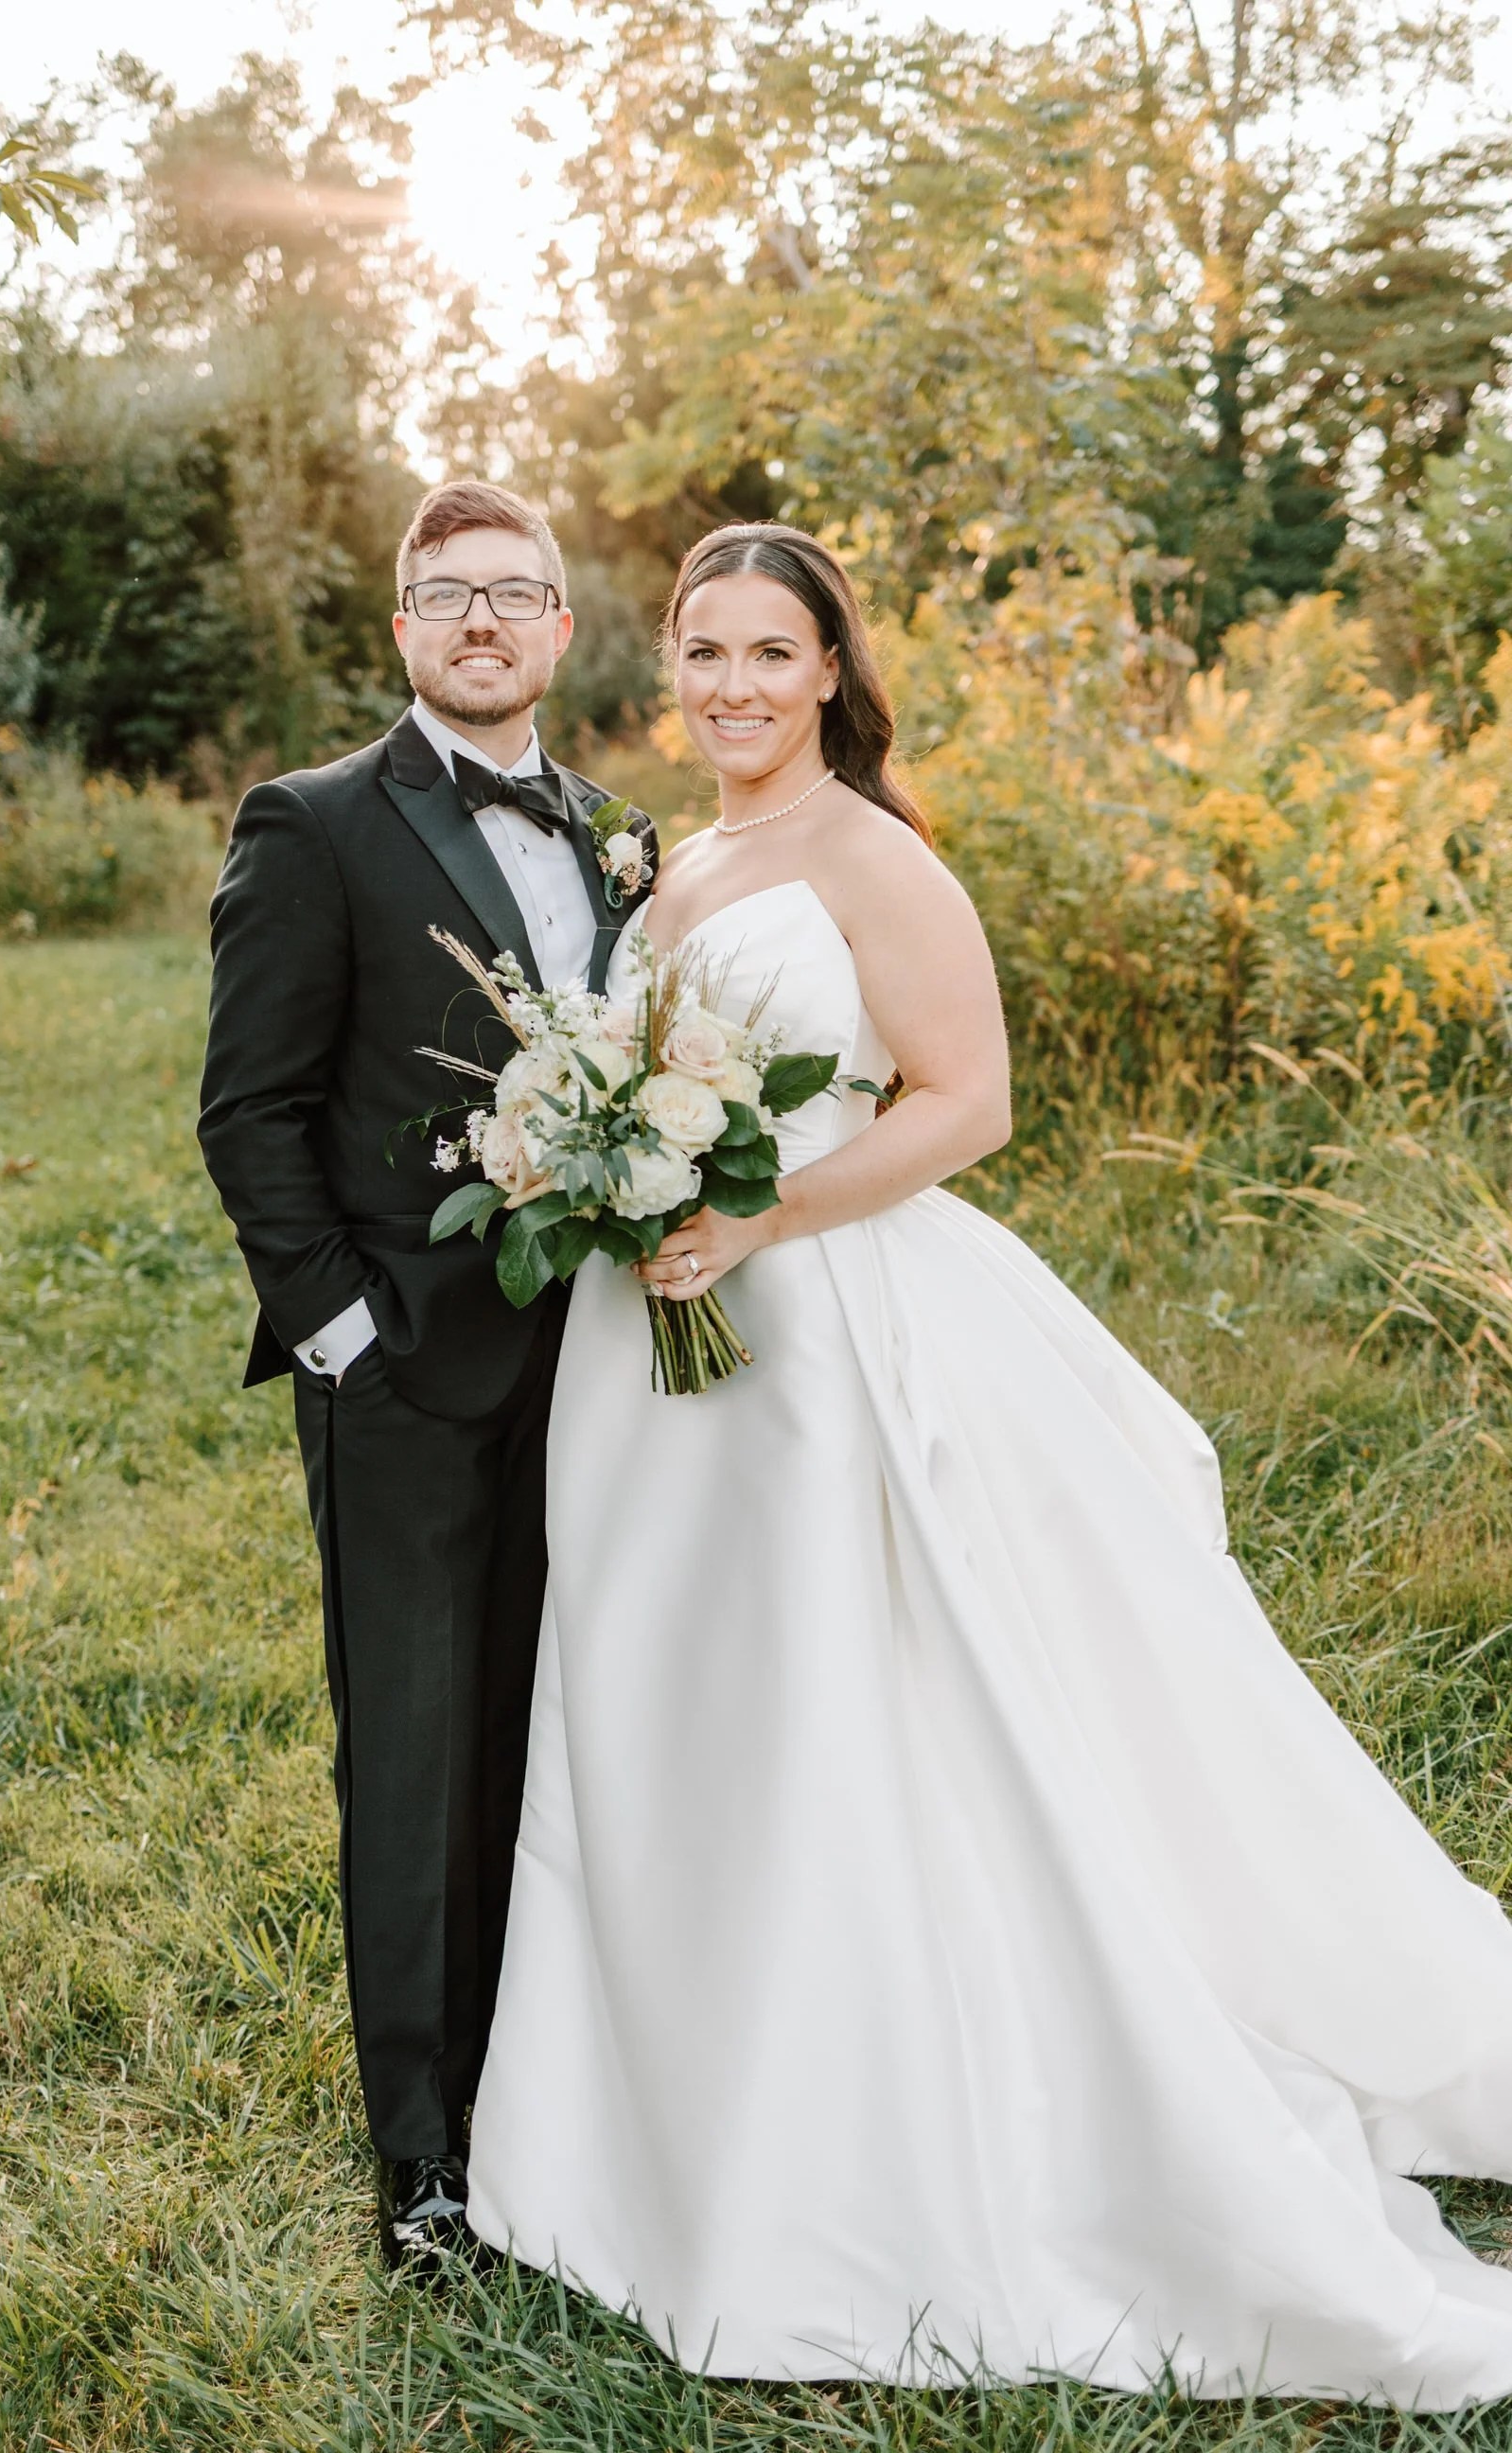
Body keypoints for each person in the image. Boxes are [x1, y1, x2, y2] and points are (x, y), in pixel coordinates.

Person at [465, 520, 1512, 2405]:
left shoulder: (874, 854)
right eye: (702, 651)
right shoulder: (681, 855)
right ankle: (674, 2118)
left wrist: (756, 1219)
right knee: (675, 1711)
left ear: (831, 672)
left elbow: (970, 1105)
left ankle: (876, 2149)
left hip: (827, 1339)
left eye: (769, 655)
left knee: (853, 1713)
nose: (729, 686)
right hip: (650, 1358)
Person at [198, 480, 657, 2270]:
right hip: (402, 1375)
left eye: (514, 594)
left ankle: (570, 2106)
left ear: (560, 629)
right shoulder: (313, 824)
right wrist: (342, 1341)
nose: (480, 622)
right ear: (402, 630)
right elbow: (248, 1109)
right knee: (413, 1757)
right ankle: (428, 2166)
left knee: (567, 1737)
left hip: (610, 1374)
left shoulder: (625, 836)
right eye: (444, 595)